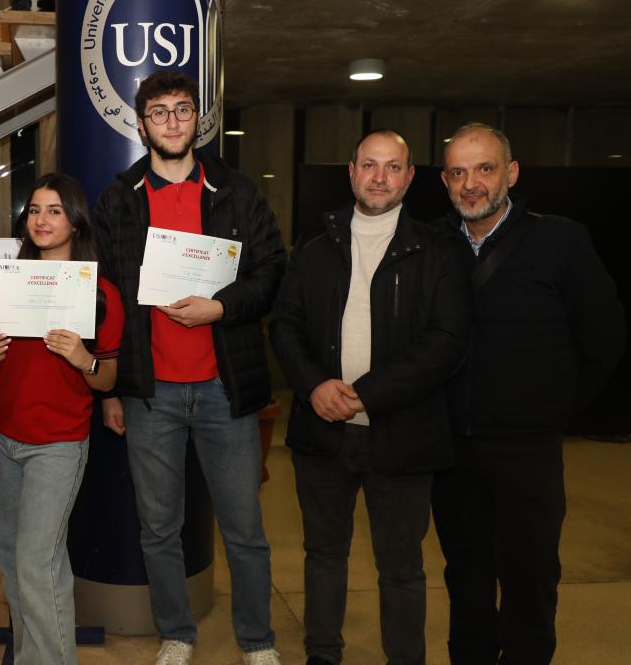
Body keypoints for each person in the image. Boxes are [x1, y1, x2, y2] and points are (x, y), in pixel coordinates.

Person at [93, 70, 286, 665]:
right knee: (158, 528)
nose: (172, 121)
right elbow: (106, 297)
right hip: (149, 393)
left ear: (197, 118)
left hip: (224, 388)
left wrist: (220, 307)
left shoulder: (237, 191)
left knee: (244, 528)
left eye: (182, 109)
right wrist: (110, 389)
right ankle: (176, 632)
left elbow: (271, 270)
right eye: (159, 111)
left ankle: (257, 640)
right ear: (141, 123)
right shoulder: (119, 199)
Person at [268, 129, 472, 665]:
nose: (379, 177)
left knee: (401, 568)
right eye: (369, 165)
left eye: (392, 166)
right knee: (323, 556)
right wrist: (314, 385)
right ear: (352, 172)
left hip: (403, 436)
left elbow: (446, 342)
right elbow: (285, 324)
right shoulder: (315, 244)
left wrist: (365, 394)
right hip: (323, 433)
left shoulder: (437, 249)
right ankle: (322, 654)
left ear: (409, 177)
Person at [431, 123, 626, 665]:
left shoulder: (559, 241)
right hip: (452, 449)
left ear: (511, 173)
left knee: (530, 576)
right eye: (458, 172)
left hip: (528, 450)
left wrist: (556, 410)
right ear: (445, 181)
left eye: (485, 168)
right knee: (465, 574)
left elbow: (605, 338)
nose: (471, 183)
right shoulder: (432, 244)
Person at [0, 173, 123, 665]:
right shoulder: (8, 282)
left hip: (57, 444)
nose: (41, 220)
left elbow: (107, 379)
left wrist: (84, 359)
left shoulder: (99, 293)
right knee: (9, 556)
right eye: (35, 210)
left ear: (76, 222)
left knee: (37, 564)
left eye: (55, 211)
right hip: (1, 436)